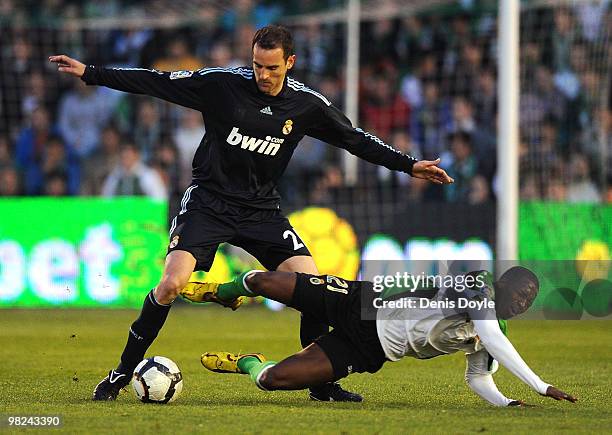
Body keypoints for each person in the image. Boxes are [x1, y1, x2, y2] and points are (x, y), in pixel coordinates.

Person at [49, 25, 453, 402]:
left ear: (289, 63)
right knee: (172, 284)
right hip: (209, 202)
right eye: (258, 65)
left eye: (272, 68)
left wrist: (409, 164)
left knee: (312, 287)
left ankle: (322, 385)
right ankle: (122, 371)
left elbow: (353, 139)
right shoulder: (222, 85)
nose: (262, 74)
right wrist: (91, 73)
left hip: (261, 210)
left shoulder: (307, 104)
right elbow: (156, 82)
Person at [184, 267, 577, 407]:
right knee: (261, 280)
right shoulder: (478, 286)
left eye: (531, 299)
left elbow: (478, 376)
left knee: (272, 380)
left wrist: (506, 402)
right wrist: (541, 386)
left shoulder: (492, 335)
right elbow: (490, 333)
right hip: (362, 301)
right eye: (521, 291)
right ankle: (221, 293)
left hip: (369, 348)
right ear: (503, 283)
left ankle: (247, 361)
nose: (525, 301)